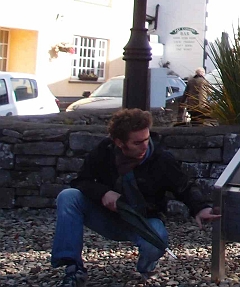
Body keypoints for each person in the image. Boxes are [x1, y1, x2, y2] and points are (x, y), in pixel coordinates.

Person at [51, 108, 219, 286]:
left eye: (146, 139)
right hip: (108, 216)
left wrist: (200, 208)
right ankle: (73, 268)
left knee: (156, 242)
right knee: (68, 197)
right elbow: (81, 181)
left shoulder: (161, 158)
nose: (144, 146)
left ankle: (146, 267)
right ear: (119, 142)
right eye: (137, 142)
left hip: (143, 220)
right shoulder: (105, 151)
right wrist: (103, 193)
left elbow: (183, 186)